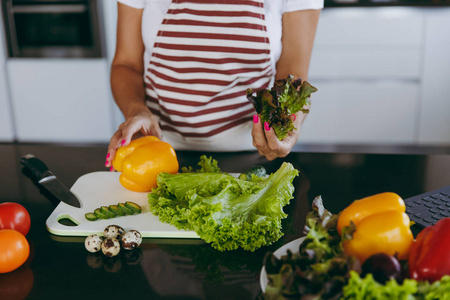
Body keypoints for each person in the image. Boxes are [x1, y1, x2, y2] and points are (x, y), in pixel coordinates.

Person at [105, 0, 322, 168]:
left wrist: (286, 125)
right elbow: (126, 64)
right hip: (157, 150)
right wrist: (137, 110)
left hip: (256, 153)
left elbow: (293, 76)